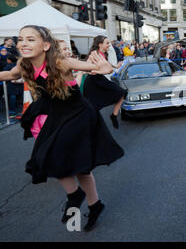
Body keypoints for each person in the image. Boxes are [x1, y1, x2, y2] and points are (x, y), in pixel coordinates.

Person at [0, 25, 124, 231]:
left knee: (59, 156)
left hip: (78, 114)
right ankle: (94, 205)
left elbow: (96, 68)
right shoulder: (24, 65)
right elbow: (8, 76)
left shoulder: (61, 62)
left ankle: (79, 197)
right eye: (21, 39)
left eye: (31, 39)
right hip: (56, 115)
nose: (23, 43)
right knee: (66, 164)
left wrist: (104, 68)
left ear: (46, 45)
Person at [82, 36, 127, 129]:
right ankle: (89, 127)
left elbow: (108, 66)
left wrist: (116, 66)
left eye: (109, 43)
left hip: (100, 78)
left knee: (122, 93)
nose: (109, 45)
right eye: (107, 43)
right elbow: (87, 68)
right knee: (91, 107)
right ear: (100, 44)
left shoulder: (104, 54)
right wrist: (98, 71)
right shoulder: (93, 55)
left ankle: (114, 115)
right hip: (92, 81)